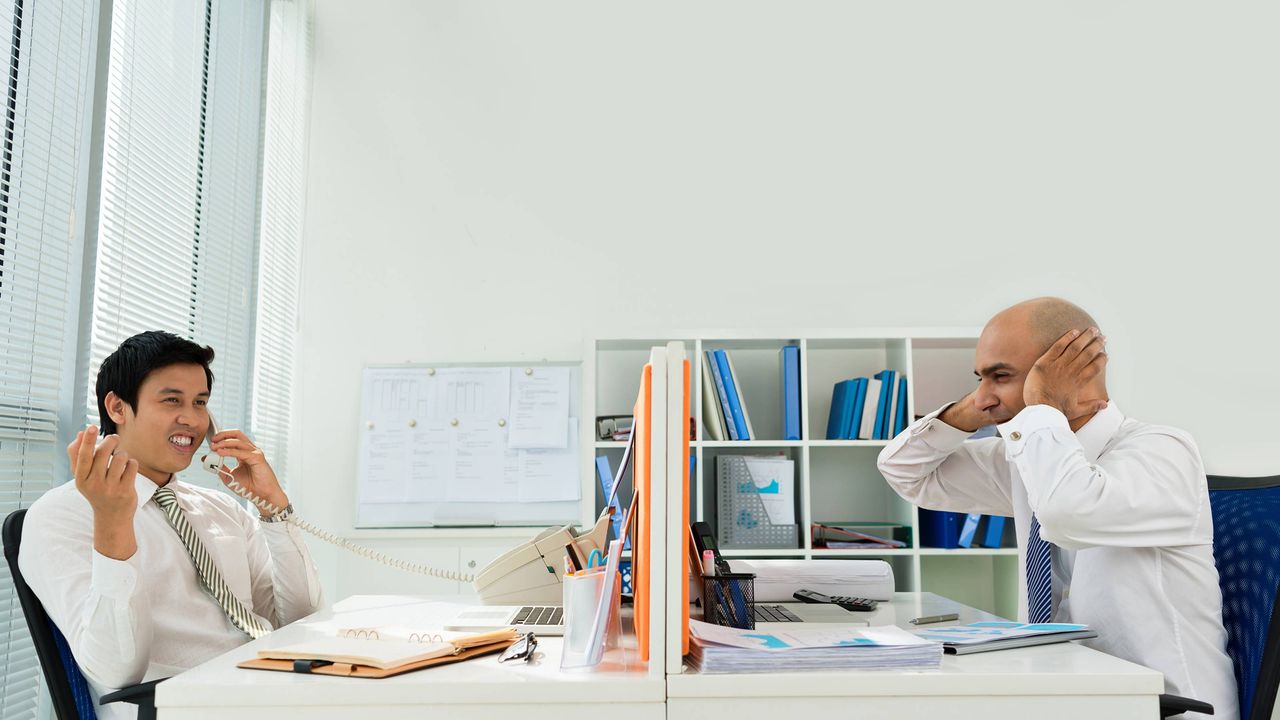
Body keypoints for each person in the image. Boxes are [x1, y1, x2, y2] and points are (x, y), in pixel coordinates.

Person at [878, 297, 1236, 719]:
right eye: (980, 378)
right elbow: (905, 472)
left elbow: (1067, 515)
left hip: (1160, 706)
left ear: (1076, 368)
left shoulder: (1162, 450)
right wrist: (973, 408)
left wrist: (1043, 408)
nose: (986, 396)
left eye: (1001, 376)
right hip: (1069, 693)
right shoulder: (1029, 459)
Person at [19, 331, 322, 718]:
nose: (193, 420)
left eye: (200, 403)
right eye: (171, 400)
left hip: (268, 693)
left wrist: (273, 509)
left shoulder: (222, 509)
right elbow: (114, 668)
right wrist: (113, 523)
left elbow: (300, 622)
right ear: (117, 407)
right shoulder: (62, 515)